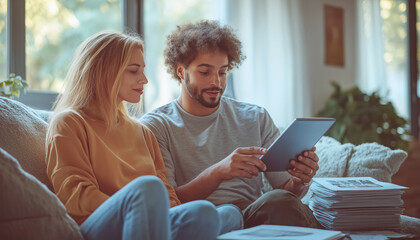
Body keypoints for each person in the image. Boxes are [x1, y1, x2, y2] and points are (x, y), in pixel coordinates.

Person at [45, 31, 242, 240]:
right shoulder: (70, 122)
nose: (145, 80)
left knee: (215, 212)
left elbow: (168, 197)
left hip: (149, 224)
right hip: (97, 226)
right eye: (133, 71)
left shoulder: (143, 132)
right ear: (104, 72)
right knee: (148, 188)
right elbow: (76, 198)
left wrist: (160, 216)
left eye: (143, 71)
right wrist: (138, 208)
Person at [140, 20, 322, 229]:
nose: (216, 82)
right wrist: (218, 172)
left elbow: (286, 195)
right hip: (198, 222)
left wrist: (299, 181)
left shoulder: (255, 117)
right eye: (205, 72)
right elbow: (168, 204)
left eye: (223, 72)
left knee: (278, 201)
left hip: (255, 218)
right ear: (181, 72)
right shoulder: (156, 126)